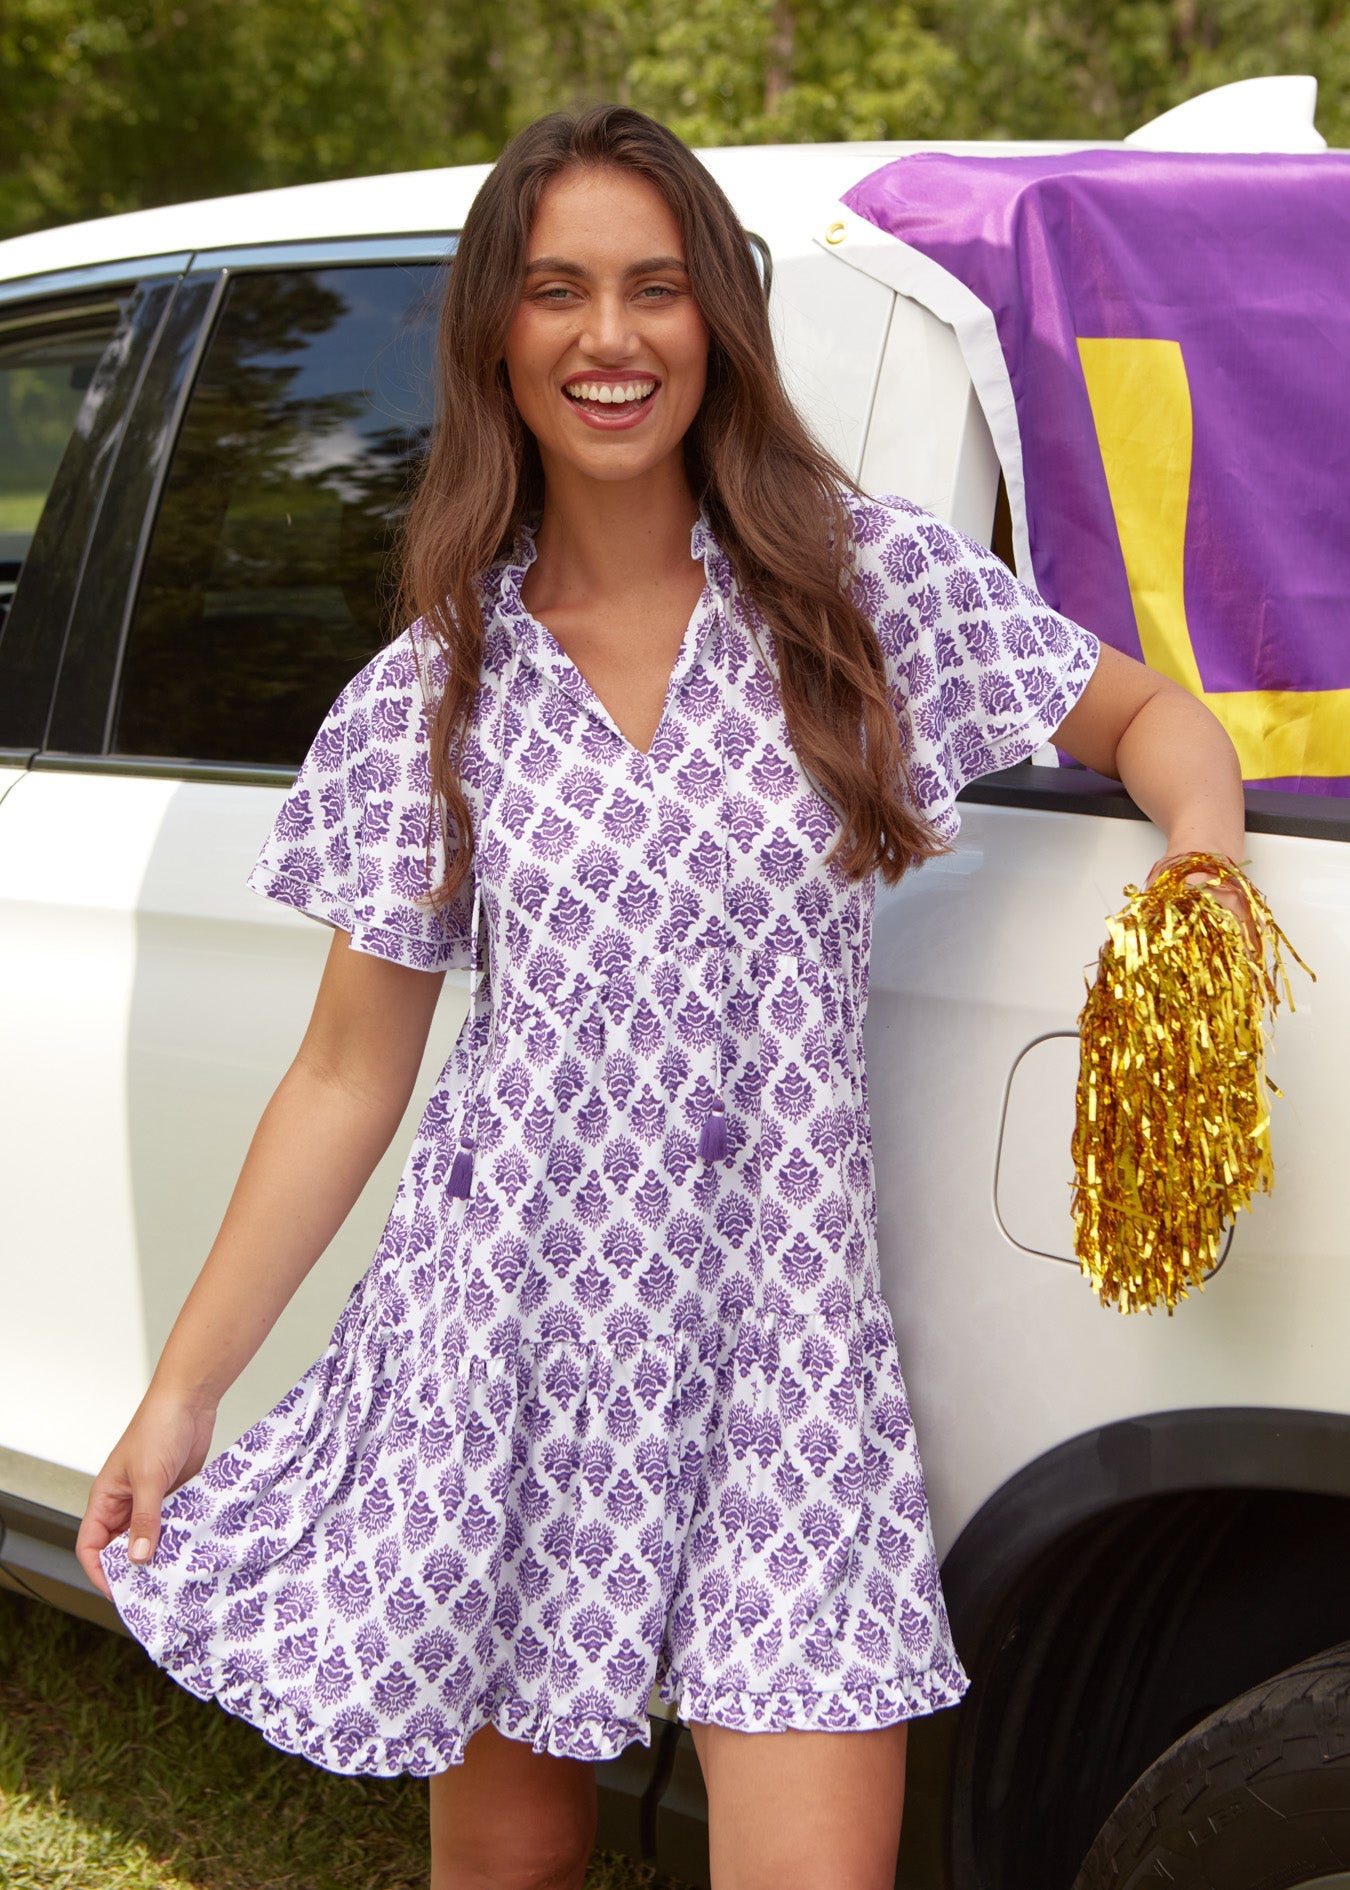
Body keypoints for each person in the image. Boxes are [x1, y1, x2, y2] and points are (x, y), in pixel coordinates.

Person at [76, 103, 1255, 1890]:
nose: (608, 337)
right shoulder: (429, 695)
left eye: (652, 287)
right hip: (506, 1344)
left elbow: (1149, 718)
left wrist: (1195, 867)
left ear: (715, 320)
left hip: (784, 1350)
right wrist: (180, 1396)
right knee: (517, 1860)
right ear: (496, 336)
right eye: (557, 292)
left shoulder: (852, 595)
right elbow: (343, 1076)